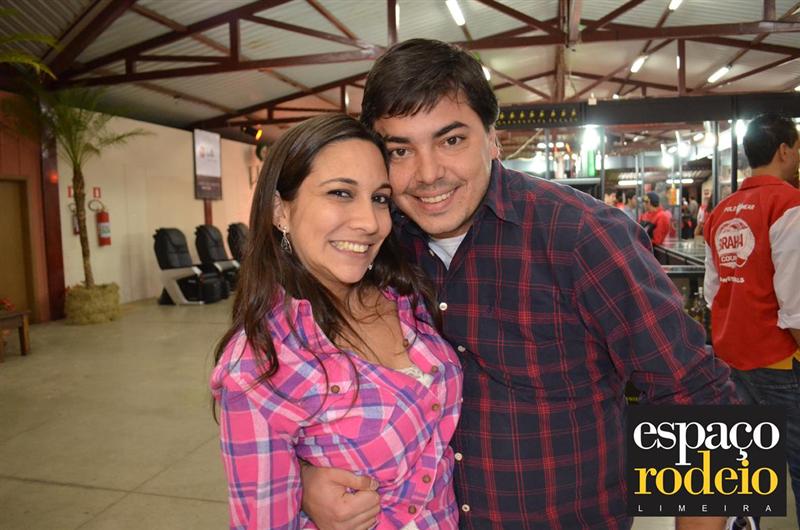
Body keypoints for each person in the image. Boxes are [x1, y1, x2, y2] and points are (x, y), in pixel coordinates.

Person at [301, 39, 737, 530]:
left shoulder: (582, 238)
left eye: (451, 140)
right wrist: (305, 479)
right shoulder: (376, 247)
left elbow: (703, 399)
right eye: (400, 150)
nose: (428, 174)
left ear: (492, 138)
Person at [210, 114, 463, 529]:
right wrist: (301, 491)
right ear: (280, 210)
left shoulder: (403, 298)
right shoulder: (261, 364)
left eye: (379, 198)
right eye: (341, 193)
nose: (369, 222)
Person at [704, 113, 800, 527]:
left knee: (741, 469)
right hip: (781, 362)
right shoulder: (789, 206)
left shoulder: (721, 211)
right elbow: (796, 301)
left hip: (731, 359)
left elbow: (712, 293)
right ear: (784, 150)